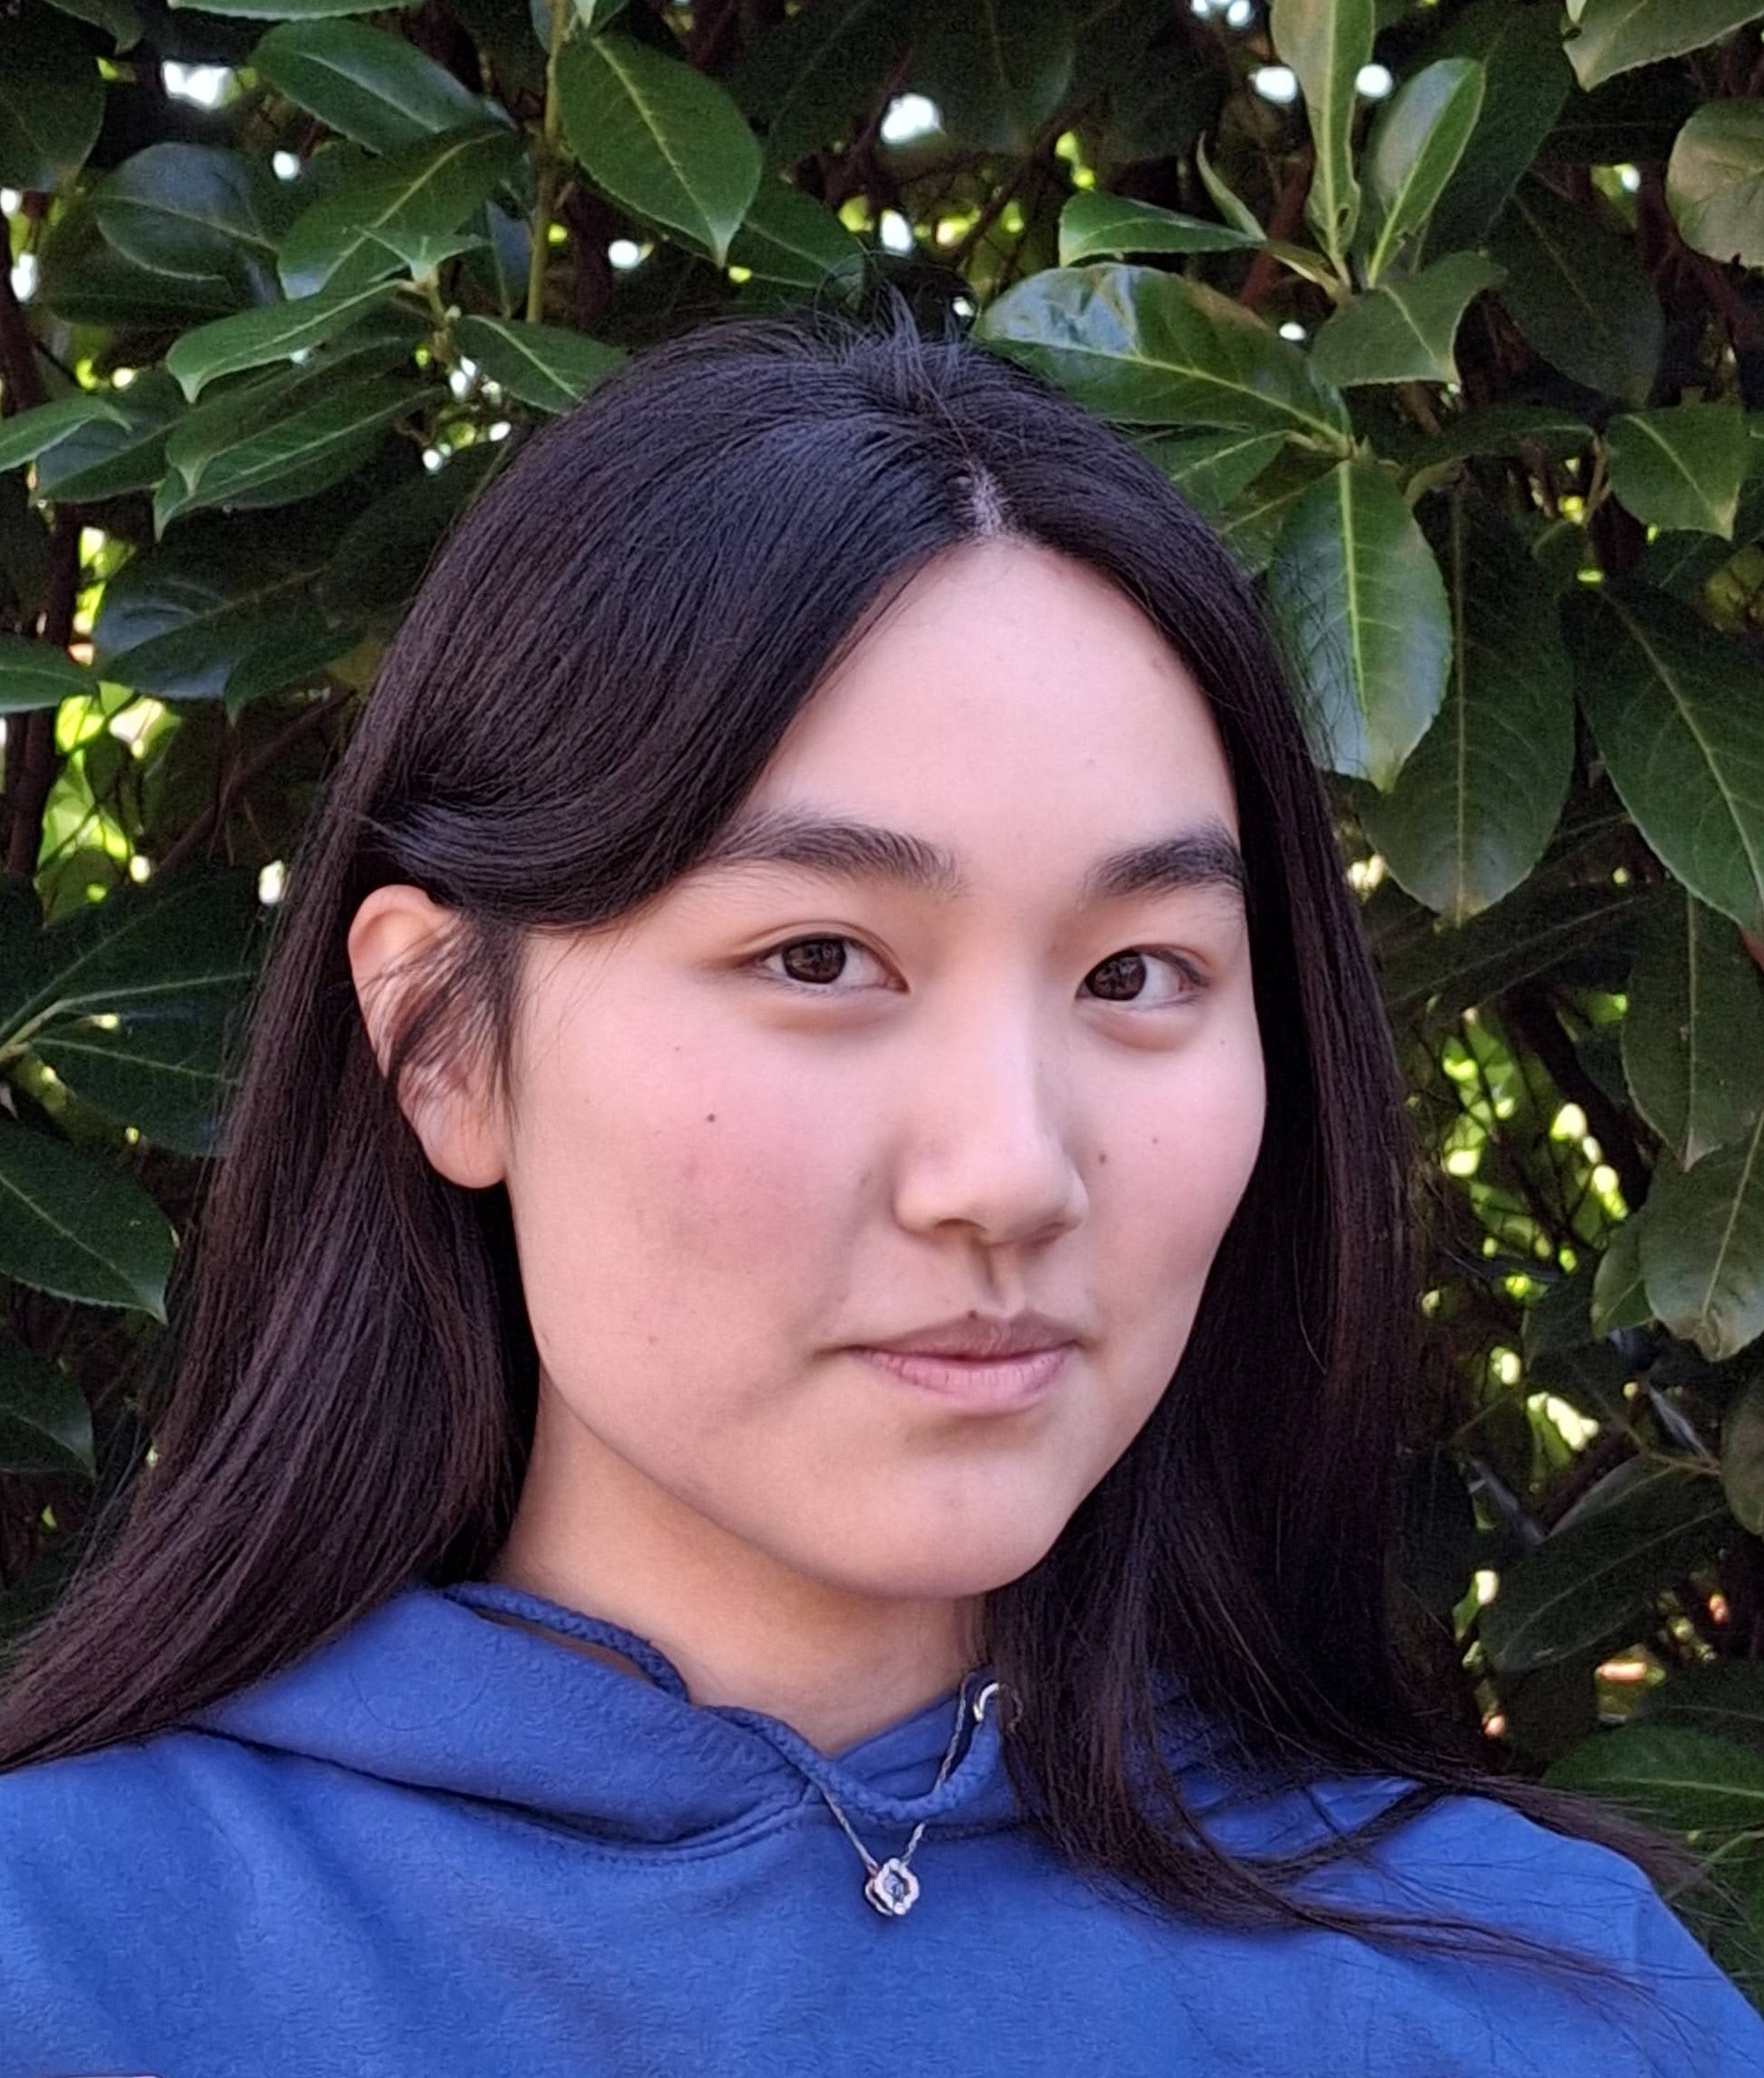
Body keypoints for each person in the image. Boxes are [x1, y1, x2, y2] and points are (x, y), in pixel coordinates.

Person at [0, 293, 1758, 2078]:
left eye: (1135, 973)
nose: (1008, 1173)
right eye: (820, 958)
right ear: (444, 1041)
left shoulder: (1556, 2007)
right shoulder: (65, 1964)